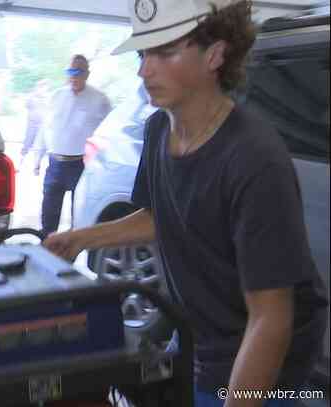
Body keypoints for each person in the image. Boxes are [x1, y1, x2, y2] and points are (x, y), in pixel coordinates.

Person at [44, 1, 328, 406]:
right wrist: (81, 239)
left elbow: (272, 318)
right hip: (205, 334)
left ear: (214, 55)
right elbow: (162, 215)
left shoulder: (253, 157)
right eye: (143, 54)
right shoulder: (158, 129)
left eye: (165, 52)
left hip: (268, 357)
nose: (145, 70)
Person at [35, 55, 111, 234]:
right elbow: (45, 128)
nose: (74, 76)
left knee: (79, 218)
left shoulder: (99, 100)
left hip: (81, 165)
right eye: (71, 71)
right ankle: (46, 247)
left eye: (79, 72)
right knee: (48, 216)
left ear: (87, 74)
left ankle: (71, 256)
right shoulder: (56, 96)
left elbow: (108, 133)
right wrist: (37, 158)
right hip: (54, 164)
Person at [19, 78, 50, 169]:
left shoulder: (47, 98)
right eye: (41, 88)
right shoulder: (32, 98)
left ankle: (37, 166)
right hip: (32, 125)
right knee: (27, 144)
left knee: (40, 147)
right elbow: (26, 106)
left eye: (45, 88)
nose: (43, 90)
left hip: (42, 126)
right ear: (38, 88)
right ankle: (20, 164)